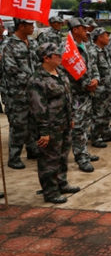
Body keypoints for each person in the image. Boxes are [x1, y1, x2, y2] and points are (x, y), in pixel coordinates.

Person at [28, 43, 80, 204]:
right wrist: (44, 132)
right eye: (56, 55)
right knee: (49, 159)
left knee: (63, 155)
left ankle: (61, 183)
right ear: (46, 58)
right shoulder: (37, 80)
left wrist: (70, 118)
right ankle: (50, 191)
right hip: (50, 127)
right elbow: (38, 108)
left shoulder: (60, 74)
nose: (60, 57)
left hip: (63, 123)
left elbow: (68, 98)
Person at [2, 18, 40, 169]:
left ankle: (33, 149)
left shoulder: (33, 43)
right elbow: (11, 69)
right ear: (21, 26)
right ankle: (14, 157)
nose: (33, 27)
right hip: (17, 92)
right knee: (19, 125)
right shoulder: (8, 45)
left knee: (33, 122)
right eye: (30, 25)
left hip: (33, 91)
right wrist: (32, 80)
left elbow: (39, 63)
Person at [65, 18, 100, 172]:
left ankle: (83, 150)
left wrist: (96, 79)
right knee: (78, 126)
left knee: (85, 124)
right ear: (75, 30)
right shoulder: (67, 48)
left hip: (86, 93)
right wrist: (86, 83)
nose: (87, 31)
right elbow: (68, 71)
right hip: (75, 94)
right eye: (83, 29)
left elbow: (92, 66)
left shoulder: (84, 45)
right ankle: (81, 157)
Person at [89, 28, 111, 147]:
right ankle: (96, 137)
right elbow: (92, 70)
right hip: (100, 89)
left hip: (109, 87)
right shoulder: (93, 52)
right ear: (99, 38)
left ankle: (106, 133)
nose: (108, 38)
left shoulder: (105, 50)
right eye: (106, 36)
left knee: (108, 111)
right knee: (99, 113)